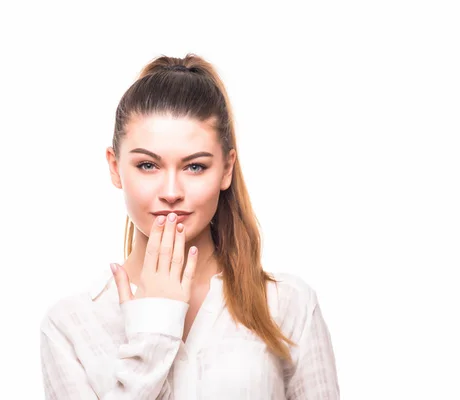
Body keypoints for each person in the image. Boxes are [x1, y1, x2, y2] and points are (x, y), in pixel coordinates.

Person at [39, 53, 340, 399]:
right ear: (114, 166)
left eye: (194, 167)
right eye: (148, 165)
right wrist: (154, 328)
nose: (171, 192)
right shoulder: (70, 325)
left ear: (226, 170)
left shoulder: (288, 304)